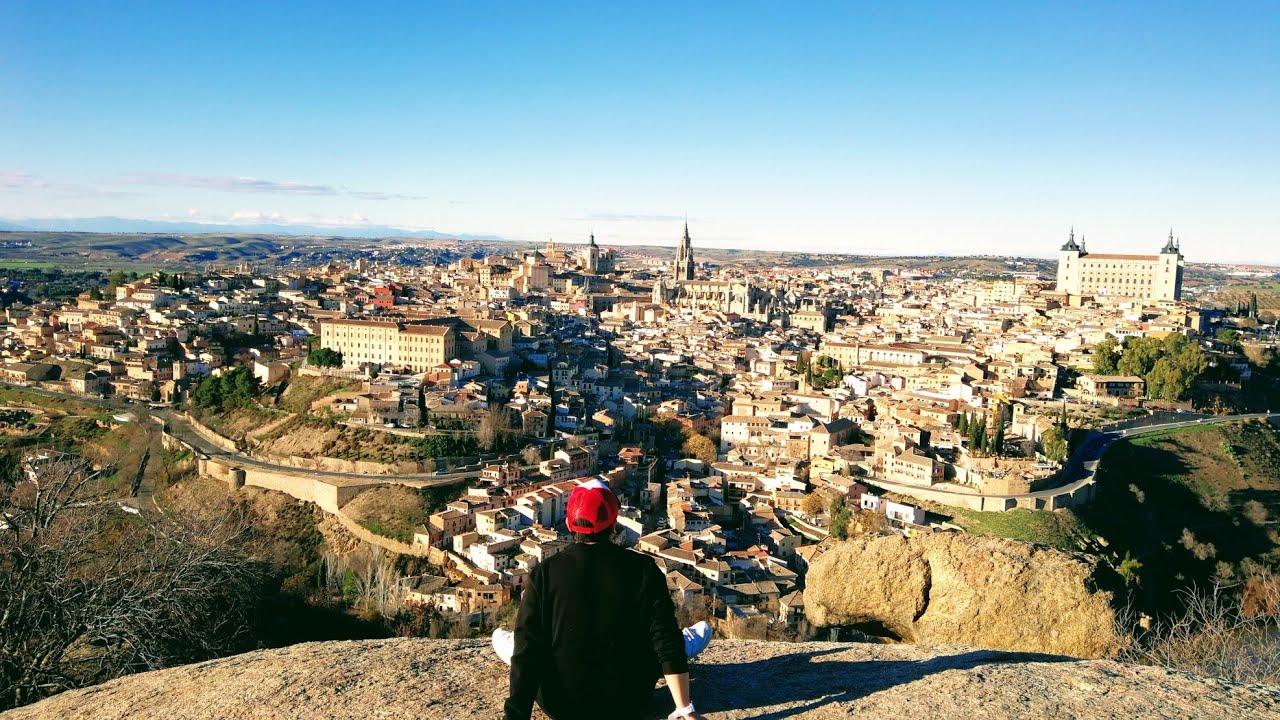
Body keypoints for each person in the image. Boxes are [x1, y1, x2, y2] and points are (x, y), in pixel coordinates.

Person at [497, 478, 712, 720]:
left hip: (560, 704)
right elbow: (665, 638)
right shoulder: (643, 569)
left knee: (509, 642)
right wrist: (684, 709)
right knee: (674, 638)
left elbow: (529, 648)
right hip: (630, 702)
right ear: (614, 524)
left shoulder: (545, 573)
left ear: (569, 523)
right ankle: (687, 645)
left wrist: (515, 716)